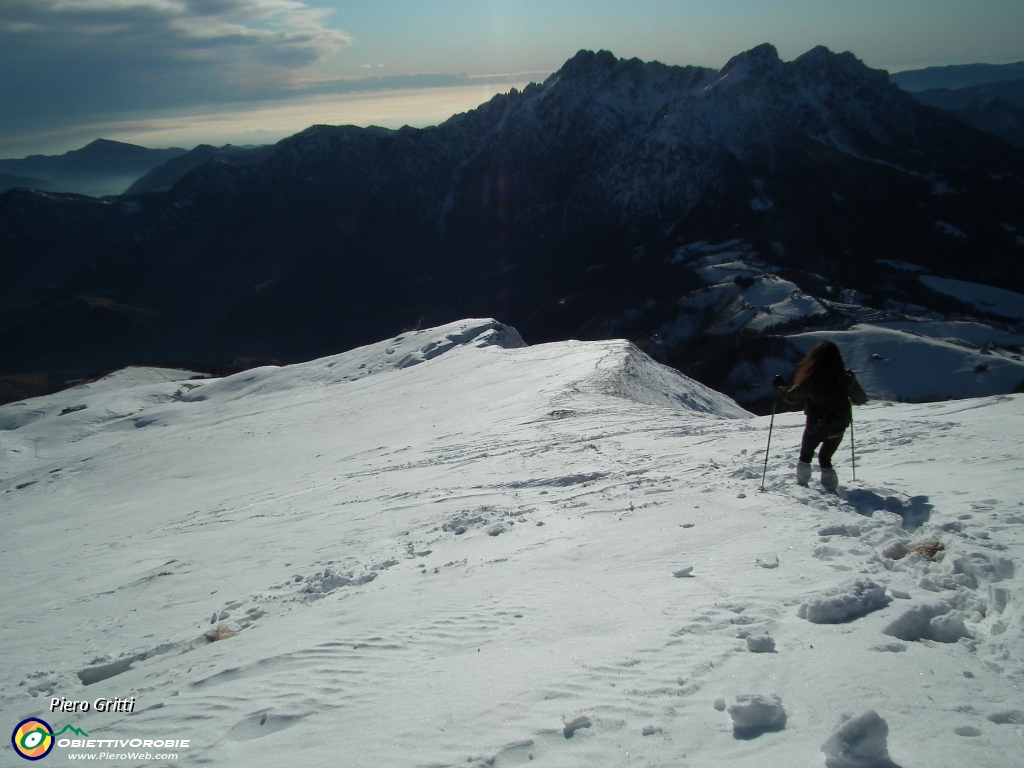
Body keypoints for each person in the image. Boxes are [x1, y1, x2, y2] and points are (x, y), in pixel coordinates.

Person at [773, 340, 867, 492]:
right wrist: (852, 380)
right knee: (825, 458)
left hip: (815, 426)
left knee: (805, 455)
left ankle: (802, 487)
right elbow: (861, 399)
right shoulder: (845, 379)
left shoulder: (811, 379)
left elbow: (791, 397)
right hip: (838, 427)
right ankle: (830, 488)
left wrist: (778, 386)